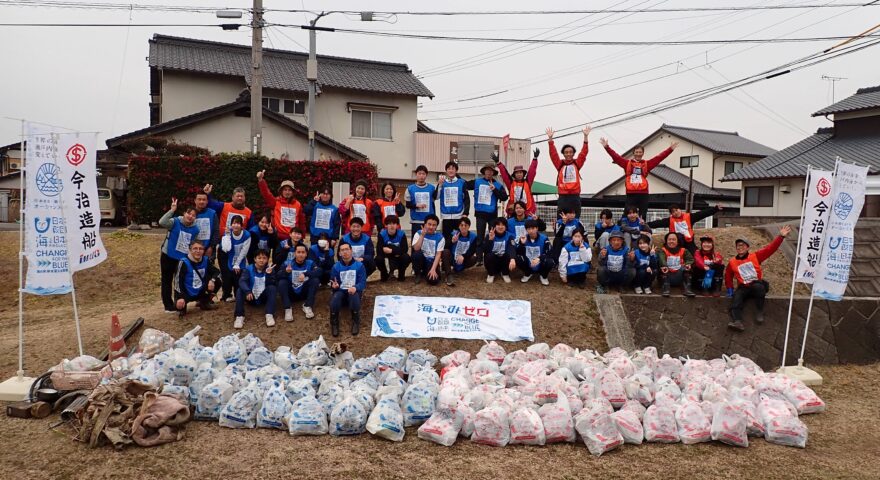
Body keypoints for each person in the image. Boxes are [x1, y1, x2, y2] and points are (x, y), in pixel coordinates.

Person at [725, 225, 791, 332]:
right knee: (736, 298)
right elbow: (728, 275)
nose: (740, 247)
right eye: (738, 246)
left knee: (759, 287)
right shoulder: (732, 262)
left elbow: (770, 249)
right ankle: (737, 321)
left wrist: (780, 237)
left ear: (747, 247)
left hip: (756, 284)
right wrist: (730, 288)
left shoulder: (755, 256)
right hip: (744, 287)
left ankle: (759, 311)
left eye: (742, 245)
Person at [599, 137, 678, 219]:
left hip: (643, 193)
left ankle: (641, 230)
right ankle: (624, 229)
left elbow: (659, 158)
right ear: (633, 153)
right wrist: (606, 147)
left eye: (640, 152)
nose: (638, 154)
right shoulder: (627, 164)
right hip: (631, 193)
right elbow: (616, 157)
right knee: (627, 213)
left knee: (642, 214)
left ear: (643, 153)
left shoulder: (647, 164)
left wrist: (670, 149)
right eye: (636, 152)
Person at [158, 198, 201, 312]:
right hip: (168, 255)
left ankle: (179, 304)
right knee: (166, 280)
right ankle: (168, 305)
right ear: (184, 214)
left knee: (179, 281)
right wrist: (172, 210)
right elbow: (162, 222)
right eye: (188, 213)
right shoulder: (175, 221)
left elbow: (193, 244)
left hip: (182, 259)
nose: (190, 216)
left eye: (193, 215)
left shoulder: (195, 229)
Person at [547, 125, 591, 217]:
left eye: (570, 152)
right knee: (561, 221)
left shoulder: (577, 163)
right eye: (566, 152)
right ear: (563, 154)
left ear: (573, 153)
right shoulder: (560, 164)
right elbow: (553, 155)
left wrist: (586, 137)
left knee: (575, 221)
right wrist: (550, 139)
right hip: (563, 197)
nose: (568, 154)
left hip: (575, 197)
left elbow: (583, 153)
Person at [469, 163, 509, 262]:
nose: (488, 172)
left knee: (492, 236)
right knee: (480, 237)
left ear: (493, 173)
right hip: (480, 214)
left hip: (492, 215)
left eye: (491, 171)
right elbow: (463, 184)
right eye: (487, 170)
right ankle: (479, 259)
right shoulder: (477, 182)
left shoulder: (498, 185)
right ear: (484, 172)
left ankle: (489, 256)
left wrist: (494, 190)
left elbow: (504, 197)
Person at [648, 204, 722, 254]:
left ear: (680, 209)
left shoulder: (689, 217)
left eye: (676, 210)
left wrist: (715, 209)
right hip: (676, 243)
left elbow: (702, 214)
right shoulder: (669, 220)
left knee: (696, 254)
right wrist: (646, 224)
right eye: (673, 212)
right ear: (671, 214)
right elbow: (657, 223)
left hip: (689, 242)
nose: (676, 212)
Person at [173, 240, 221, 316]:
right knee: (179, 307)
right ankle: (181, 304)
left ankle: (204, 302)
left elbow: (217, 272)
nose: (198, 251)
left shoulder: (205, 260)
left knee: (218, 281)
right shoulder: (183, 262)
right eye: (195, 248)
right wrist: (180, 297)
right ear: (190, 250)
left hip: (201, 290)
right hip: (187, 292)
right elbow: (178, 282)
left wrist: (212, 280)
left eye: (200, 249)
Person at [329, 242, 367, 337]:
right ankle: (334, 321)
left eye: (347, 249)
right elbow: (333, 282)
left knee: (353, 296)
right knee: (336, 297)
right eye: (342, 250)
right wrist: (334, 286)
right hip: (341, 292)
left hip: (353, 292)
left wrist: (356, 287)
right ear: (340, 253)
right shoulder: (336, 267)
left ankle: (355, 320)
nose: (345, 252)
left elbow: (362, 283)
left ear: (351, 251)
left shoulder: (359, 266)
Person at [256, 169, 305, 243]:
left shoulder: (298, 204)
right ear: (281, 191)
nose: (287, 192)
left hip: (294, 238)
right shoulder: (276, 202)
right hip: (278, 237)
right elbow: (266, 194)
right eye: (285, 190)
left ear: (292, 192)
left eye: (289, 190)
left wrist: (302, 236)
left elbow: (301, 222)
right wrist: (261, 180)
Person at [234, 249, 277, 328]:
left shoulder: (270, 269)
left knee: (272, 288)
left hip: (263, 297)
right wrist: (247, 291)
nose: (261, 260)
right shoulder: (248, 269)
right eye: (259, 258)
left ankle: (269, 314)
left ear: (267, 259)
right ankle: (239, 316)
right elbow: (242, 281)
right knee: (240, 290)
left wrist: (269, 274)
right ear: (255, 259)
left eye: (264, 258)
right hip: (251, 296)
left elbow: (272, 284)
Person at [278, 243, 321, 322]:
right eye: (298, 252)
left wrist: (306, 274)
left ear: (306, 254)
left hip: (304, 292)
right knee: (282, 282)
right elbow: (278, 275)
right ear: (295, 253)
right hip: (291, 293)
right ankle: (287, 308)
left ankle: (308, 306)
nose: (301, 254)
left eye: (303, 252)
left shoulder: (310, 263)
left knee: (315, 280)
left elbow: (319, 271)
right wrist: (286, 272)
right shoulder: (287, 263)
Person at [497, 148, 539, 217]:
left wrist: (535, 159)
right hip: (514, 211)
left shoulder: (527, 182)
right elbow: (505, 175)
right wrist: (499, 163)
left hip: (527, 211)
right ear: (514, 175)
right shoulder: (511, 184)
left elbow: (532, 171)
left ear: (523, 174)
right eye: (517, 173)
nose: (519, 174)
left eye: (520, 172)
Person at [437, 160, 470, 245]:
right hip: (446, 216)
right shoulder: (442, 183)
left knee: (458, 238)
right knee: (446, 239)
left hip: (458, 216)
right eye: (449, 168)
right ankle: (447, 257)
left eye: (453, 168)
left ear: (456, 170)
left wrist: (465, 213)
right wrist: (439, 185)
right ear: (446, 171)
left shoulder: (462, 182)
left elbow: (466, 199)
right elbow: (436, 197)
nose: (451, 170)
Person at [219, 216, 251, 302]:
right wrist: (227, 236)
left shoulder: (246, 235)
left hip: (241, 261)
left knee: (239, 280)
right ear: (231, 225)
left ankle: (239, 295)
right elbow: (226, 249)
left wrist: (237, 264)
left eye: (238, 223)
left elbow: (244, 252)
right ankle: (227, 295)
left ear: (241, 225)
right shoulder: (228, 233)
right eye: (233, 223)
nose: (235, 225)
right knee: (227, 278)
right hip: (229, 259)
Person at [516, 219, 554, 285]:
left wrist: (539, 258)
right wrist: (522, 244)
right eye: (529, 229)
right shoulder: (523, 238)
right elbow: (518, 252)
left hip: (540, 263)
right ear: (526, 230)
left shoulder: (544, 238)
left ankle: (543, 276)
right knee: (518, 258)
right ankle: (527, 273)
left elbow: (549, 252)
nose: (531, 231)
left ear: (537, 228)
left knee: (550, 261)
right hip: (529, 263)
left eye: (533, 228)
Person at [657, 232, 696, 298]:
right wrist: (665, 266)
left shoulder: (684, 250)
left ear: (678, 241)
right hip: (667, 275)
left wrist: (687, 264)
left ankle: (687, 289)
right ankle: (665, 289)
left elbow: (690, 259)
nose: (671, 241)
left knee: (686, 269)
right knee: (663, 269)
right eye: (669, 239)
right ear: (666, 241)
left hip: (680, 275)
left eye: (673, 239)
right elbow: (662, 260)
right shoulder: (662, 250)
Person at [442, 217, 478, 286]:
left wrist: (463, 256)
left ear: (469, 226)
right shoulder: (454, 234)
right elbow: (445, 247)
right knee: (445, 251)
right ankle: (448, 275)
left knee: (474, 258)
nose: (463, 227)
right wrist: (452, 241)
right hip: (453, 258)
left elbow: (472, 251)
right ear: (459, 226)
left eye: (466, 225)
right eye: (461, 225)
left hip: (464, 259)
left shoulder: (473, 236)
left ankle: (459, 268)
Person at [411, 214, 446, 286]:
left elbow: (438, 254)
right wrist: (422, 235)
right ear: (425, 224)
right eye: (429, 224)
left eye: (434, 225)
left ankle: (428, 272)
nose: (431, 227)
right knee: (416, 254)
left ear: (436, 226)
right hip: (422, 259)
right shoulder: (418, 233)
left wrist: (433, 269)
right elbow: (416, 248)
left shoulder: (440, 237)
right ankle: (418, 274)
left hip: (432, 262)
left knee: (433, 281)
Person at [376, 215, 411, 282]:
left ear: (397, 225)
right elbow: (379, 250)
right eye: (389, 224)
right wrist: (396, 251)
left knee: (406, 257)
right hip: (387, 256)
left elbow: (405, 249)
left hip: (397, 256)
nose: (392, 226)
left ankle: (401, 274)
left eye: (394, 223)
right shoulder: (382, 234)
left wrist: (392, 250)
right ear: (386, 225)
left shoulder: (401, 234)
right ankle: (384, 274)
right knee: (378, 258)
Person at [405, 165, 437, 237]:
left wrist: (440, 185)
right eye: (419, 173)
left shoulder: (432, 188)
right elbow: (407, 205)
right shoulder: (410, 188)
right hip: (416, 221)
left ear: (426, 175)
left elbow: (436, 198)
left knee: (429, 243)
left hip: (429, 222)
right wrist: (416, 205)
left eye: (423, 174)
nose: (421, 176)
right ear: (416, 174)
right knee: (416, 244)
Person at [483, 217, 517, 284]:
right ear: (495, 226)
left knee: (507, 254)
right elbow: (485, 250)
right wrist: (490, 240)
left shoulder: (509, 236)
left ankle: (505, 273)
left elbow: (512, 248)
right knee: (489, 255)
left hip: (503, 262)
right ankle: (491, 274)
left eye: (503, 225)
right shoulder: (489, 235)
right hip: (492, 262)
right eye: (498, 225)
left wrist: (512, 259)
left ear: (505, 226)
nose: (500, 227)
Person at [193, 191, 219, 261]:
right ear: (195, 201)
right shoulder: (190, 213)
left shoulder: (212, 213)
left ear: (207, 201)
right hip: (192, 249)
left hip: (208, 249)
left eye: (204, 200)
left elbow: (216, 232)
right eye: (199, 199)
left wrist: (211, 247)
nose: (201, 202)